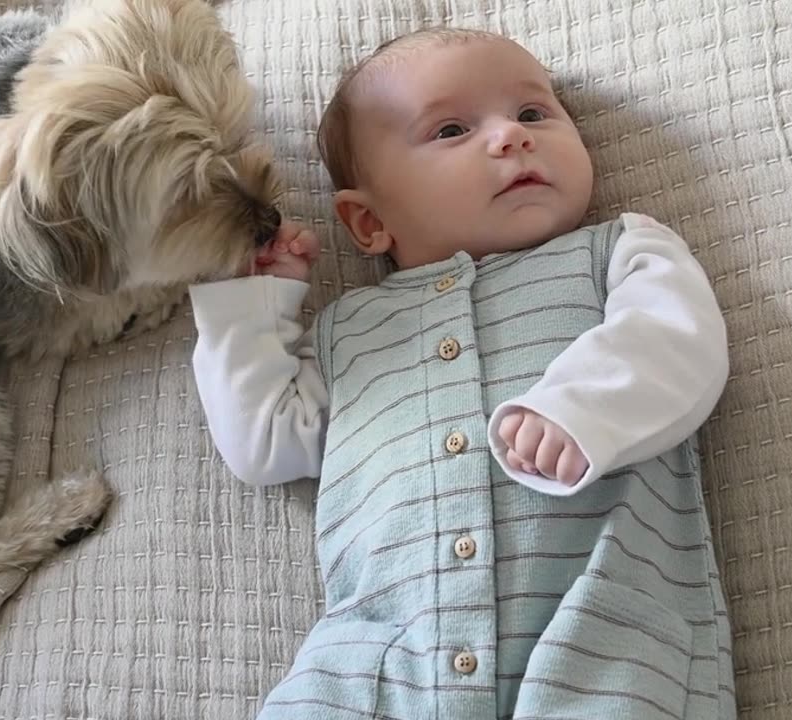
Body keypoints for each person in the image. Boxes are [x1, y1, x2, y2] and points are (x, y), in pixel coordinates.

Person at [189, 27, 736, 720]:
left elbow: (676, 339)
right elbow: (264, 442)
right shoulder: (350, 332)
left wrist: (583, 410)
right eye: (451, 129)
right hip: (376, 665)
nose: (511, 136)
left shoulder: (618, 250)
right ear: (366, 223)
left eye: (534, 113)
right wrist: (250, 306)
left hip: (595, 639)